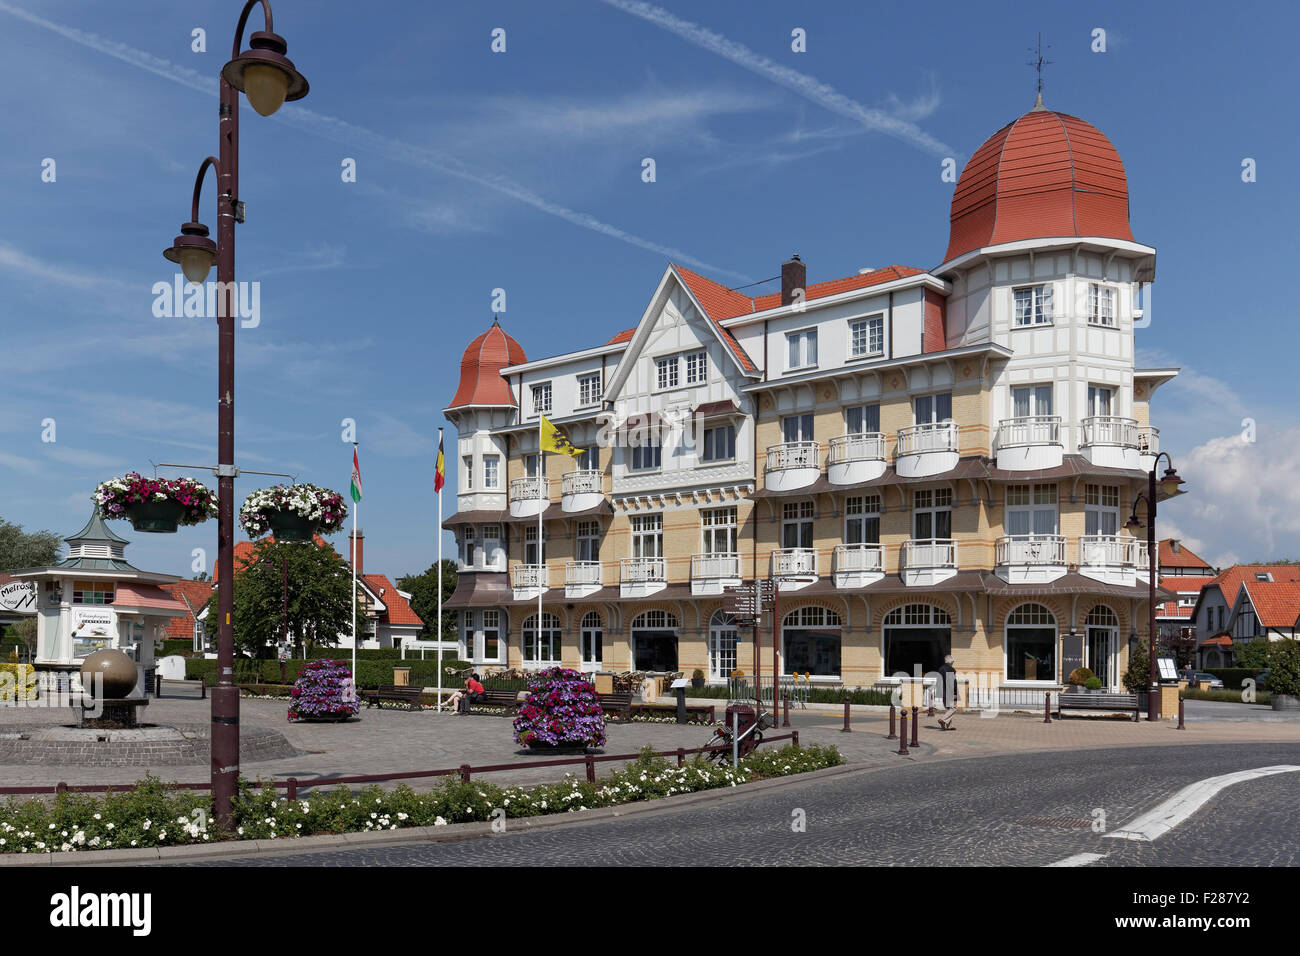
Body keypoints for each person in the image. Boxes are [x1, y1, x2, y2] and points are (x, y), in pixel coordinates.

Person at [936, 655, 959, 730]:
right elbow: (952, 682)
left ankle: (948, 726)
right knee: (953, 708)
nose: (953, 663)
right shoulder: (951, 669)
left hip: (942, 691)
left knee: (949, 708)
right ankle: (943, 720)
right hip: (949, 691)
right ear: (951, 661)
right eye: (953, 662)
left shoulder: (940, 669)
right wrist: (955, 693)